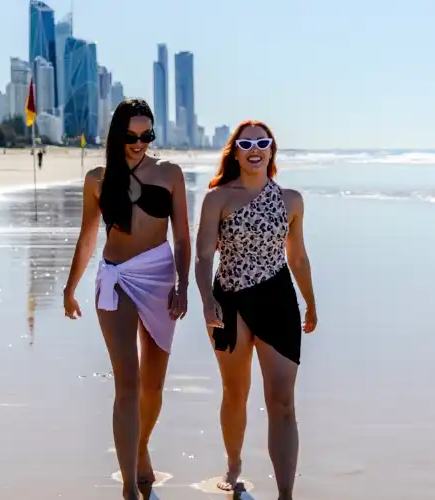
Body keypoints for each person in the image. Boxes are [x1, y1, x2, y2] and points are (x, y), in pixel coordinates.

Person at [63, 98, 191, 500]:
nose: (139, 143)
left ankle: (139, 447)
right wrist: (69, 288)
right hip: (116, 279)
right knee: (129, 383)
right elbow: (87, 238)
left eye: (146, 135)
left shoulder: (170, 174)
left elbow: (183, 237)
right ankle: (128, 488)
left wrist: (183, 285)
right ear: (117, 135)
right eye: (131, 136)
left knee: (153, 386)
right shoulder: (98, 179)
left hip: (159, 279)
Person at [194, 120, 318, 500]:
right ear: (234, 151)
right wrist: (205, 300)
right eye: (246, 143)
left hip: (278, 300)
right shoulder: (218, 198)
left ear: (271, 151)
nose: (255, 148)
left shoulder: (291, 200)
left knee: (282, 400)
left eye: (262, 142)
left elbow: (296, 257)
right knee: (236, 391)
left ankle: (285, 494)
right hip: (228, 301)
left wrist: (311, 303)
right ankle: (233, 466)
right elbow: (202, 255)